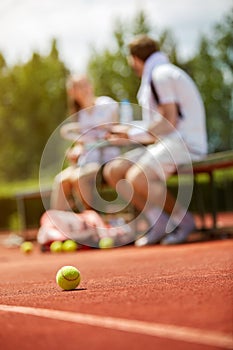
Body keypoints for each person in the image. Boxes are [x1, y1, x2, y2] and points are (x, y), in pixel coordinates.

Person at [103, 34, 208, 245]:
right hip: (170, 143)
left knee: (137, 177)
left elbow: (169, 121)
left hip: (187, 144)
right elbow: (160, 125)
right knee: (114, 170)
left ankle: (184, 221)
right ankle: (158, 222)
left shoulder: (161, 75)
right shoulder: (159, 74)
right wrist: (127, 132)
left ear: (134, 58)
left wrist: (130, 134)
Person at [50, 74, 120, 211]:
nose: (85, 89)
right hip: (86, 161)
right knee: (60, 181)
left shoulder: (106, 104)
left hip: (106, 160)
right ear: (72, 93)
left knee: (79, 177)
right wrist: (75, 151)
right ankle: (58, 225)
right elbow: (81, 143)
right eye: (79, 86)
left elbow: (116, 129)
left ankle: (91, 219)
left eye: (86, 84)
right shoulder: (79, 115)